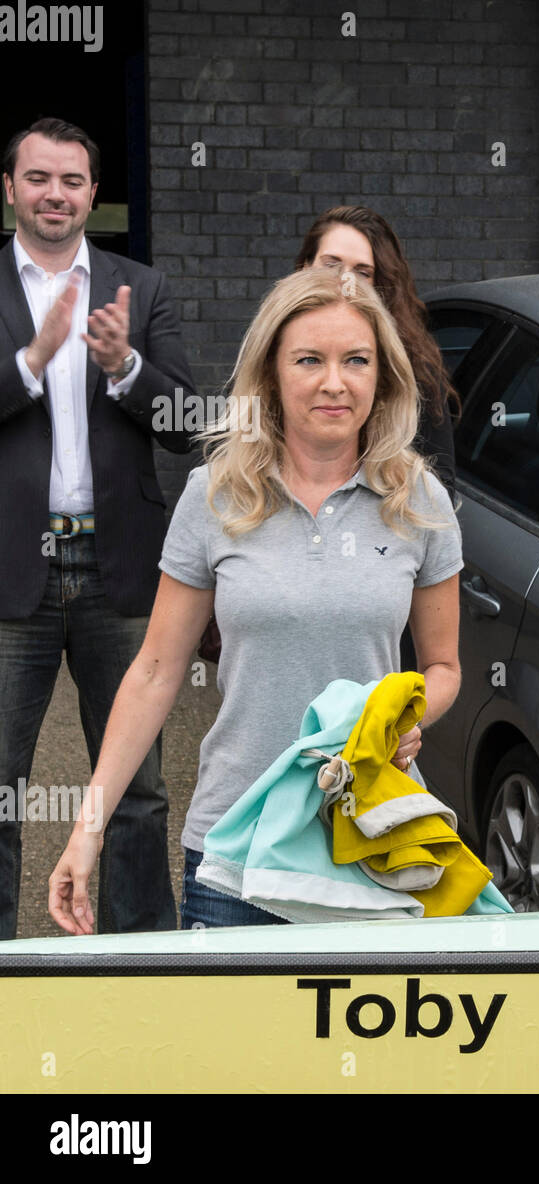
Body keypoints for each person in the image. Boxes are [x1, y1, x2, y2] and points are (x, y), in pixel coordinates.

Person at [48, 267, 463, 932]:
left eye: (356, 360)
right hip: (236, 849)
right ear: (270, 374)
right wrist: (87, 829)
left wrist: (412, 715)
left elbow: (443, 669)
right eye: (309, 360)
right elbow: (155, 672)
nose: (335, 382)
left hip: (372, 844)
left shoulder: (419, 500)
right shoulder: (215, 495)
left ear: (382, 377)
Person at [0, 117, 196, 939]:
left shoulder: (140, 289)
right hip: (11, 571)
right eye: (39, 177)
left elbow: (190, 419)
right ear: (9, 187)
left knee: (137, 789)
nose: (56, 193)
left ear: (92, 193)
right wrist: (29, 363)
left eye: (72, 180)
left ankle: (139, 955)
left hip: (119, 568)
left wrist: (125, 367)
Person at [294, 206, 456, 491]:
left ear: (381, 284)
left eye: (362, 272)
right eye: (331, 264)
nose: (344, 280)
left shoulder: (413, 369)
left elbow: (439, 489)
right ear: (306, 266)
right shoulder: (272, 348)